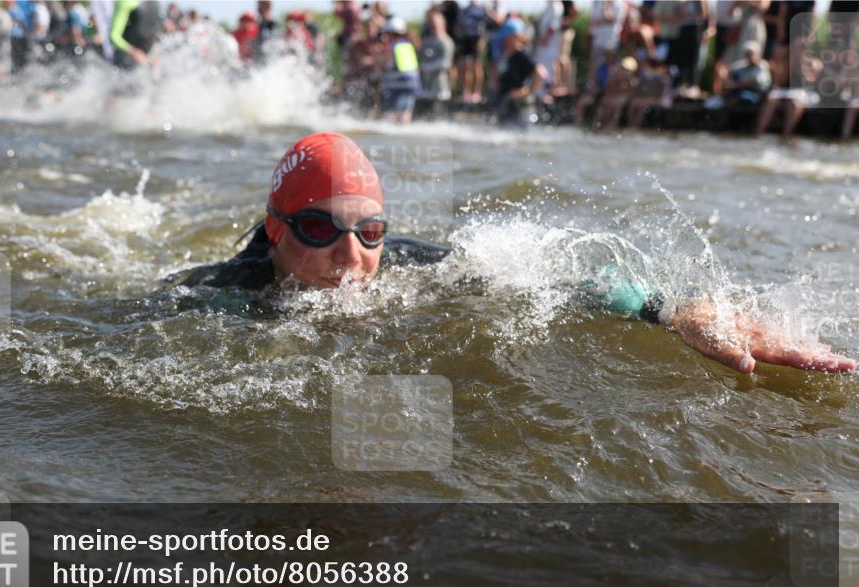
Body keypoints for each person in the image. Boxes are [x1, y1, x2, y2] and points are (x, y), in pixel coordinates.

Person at [167, 132, 856, 376]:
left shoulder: (408, 264)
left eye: (369, 231)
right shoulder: (222, 292)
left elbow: (547, 279)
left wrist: (672, 309)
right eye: (320, 229)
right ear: (276, 228)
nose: (350, 257)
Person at [493, 27, 546, 125]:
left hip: (516, 103)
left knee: (515, 131)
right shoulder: (510, 55)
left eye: (507, 38)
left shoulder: (522, 56)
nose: (504, 41)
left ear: (516, 40)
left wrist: (528, 91)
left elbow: (541, 73)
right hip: (506, 101)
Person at [378, 16, 420, 124]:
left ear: (391, 34)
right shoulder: (408, 45)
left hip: (398, 86)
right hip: (412, 86)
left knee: (393, 115)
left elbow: (387, 65)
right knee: (406, 114)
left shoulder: (393, 47)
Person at [418, 9, 455, 111]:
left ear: (442, 24)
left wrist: (427, 67)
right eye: (431, 24)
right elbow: (421, 58)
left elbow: (446, 63)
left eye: (435, 24)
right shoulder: (427, 41)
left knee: (438, 114)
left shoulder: (446, 42)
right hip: (426, 86)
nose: (433, 27)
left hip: (440, 86)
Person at [110, 0, 161, 70]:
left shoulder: (154, 3)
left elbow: (153, 32)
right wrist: (134, 52)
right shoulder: (125, 3)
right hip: (126, 61)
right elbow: (114, 36)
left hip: (148, 60)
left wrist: (154, 54)